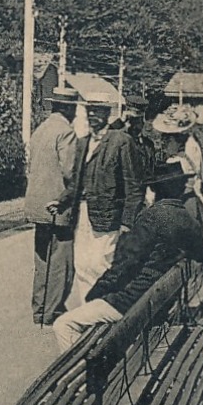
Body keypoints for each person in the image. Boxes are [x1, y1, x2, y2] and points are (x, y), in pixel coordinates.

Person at [53, 163, 203, 352]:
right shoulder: (189, 220)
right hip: (159, 303)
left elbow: (122, 266)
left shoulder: (151, 217)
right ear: (180, 188)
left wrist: (95, 294)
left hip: (132, 303)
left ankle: (86, 377)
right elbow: (202, 252)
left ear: (154, 189)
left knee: (64, 324)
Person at [67, 97, 142, 312]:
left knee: (102, 265)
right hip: (83, 214)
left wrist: (127, 222)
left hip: (109, 217)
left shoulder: (121, 141)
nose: (92, 115)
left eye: (98, 111)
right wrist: (61, 201)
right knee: (81, 265)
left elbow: (134, 187)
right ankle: (86, 312)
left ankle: (106, 313)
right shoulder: (82, 142)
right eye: (90, 110)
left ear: (108, 114)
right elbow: (75, 182)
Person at [24, 85, 86, 325]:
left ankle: (39, 309)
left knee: (42, 259)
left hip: (37, 205)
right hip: (57, 207)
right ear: (68, 108)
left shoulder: (41, 129)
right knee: (61, 260)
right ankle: (53, 311)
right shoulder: (66, 132)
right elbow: (70, 171)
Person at [153, 103, 203, 201]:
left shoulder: (187, 150)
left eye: (167, 138)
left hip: (183, 198)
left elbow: (185, 179)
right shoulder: (188, 144)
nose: (163, 142)